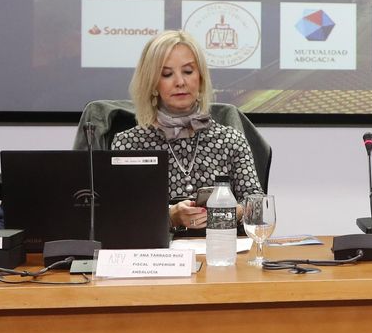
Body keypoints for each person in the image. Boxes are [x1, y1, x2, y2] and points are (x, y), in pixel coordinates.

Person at [112, 30, 263, 229]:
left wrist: (233, 211)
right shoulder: (128, 144)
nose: (180, 82)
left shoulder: (230, 140)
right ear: (153, 84)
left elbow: (258, 207)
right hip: (157, 256)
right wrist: (169, 217)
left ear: (200, 79)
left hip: (218, 250)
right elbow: (117, 213)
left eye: (188, 71)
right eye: (167, 74)